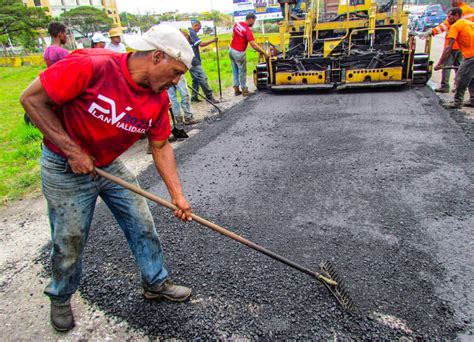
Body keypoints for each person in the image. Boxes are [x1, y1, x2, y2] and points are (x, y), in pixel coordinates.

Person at [20, 24, 195, 332]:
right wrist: (73, 152)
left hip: (107, 165)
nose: (177, 81)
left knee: (141, 222)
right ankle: (60, 298)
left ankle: (155, 282)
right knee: (69, 239)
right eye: (176, 71)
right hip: (64, 166)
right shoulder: (91, 65)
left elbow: (160, 146)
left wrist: (177, 195)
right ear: (157, 57)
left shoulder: (157, 100)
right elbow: (31, 100)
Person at [418, 0, 474, 92]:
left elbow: (445, 25)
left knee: (447, 66)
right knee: (461, 69)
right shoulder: (471, 11)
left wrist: (430, 32)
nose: (451, 1)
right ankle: (458, 87)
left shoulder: (458, 12)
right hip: (465, 46)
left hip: (454, 44)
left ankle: (445, 86)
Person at [434, 7, 474, 109]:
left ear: (456, 16)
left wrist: (440, 63)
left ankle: (457, 102)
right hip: (469, 55)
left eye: (450, 16)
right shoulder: (468, 23)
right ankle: (473, 100)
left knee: (461, 78)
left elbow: (448, 47)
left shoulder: (455, 26)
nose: (448, 18)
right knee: (472, 78)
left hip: (471, 56)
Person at [229, 13, 269, 97]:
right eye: (254, 21)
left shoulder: (237, 24)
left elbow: (233, 35)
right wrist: (263, 52)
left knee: (235, 70)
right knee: (242, 71)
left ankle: (236, 90)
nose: (254, 23)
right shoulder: (247, 30)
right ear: (250, 19)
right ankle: (244, 90)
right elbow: (253, 44)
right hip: (239, 52)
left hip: (231, 50)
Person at [188, 19, 219, 103]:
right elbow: (200, 44)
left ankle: (194, 97)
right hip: (193, 60)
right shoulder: (191, 33)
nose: (198, 31)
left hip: (189, 60)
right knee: (202, 77)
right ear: (195, 25)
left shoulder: (189, 32)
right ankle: (209, 96)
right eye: (198, 28)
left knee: (195, 79)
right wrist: (212, 40)